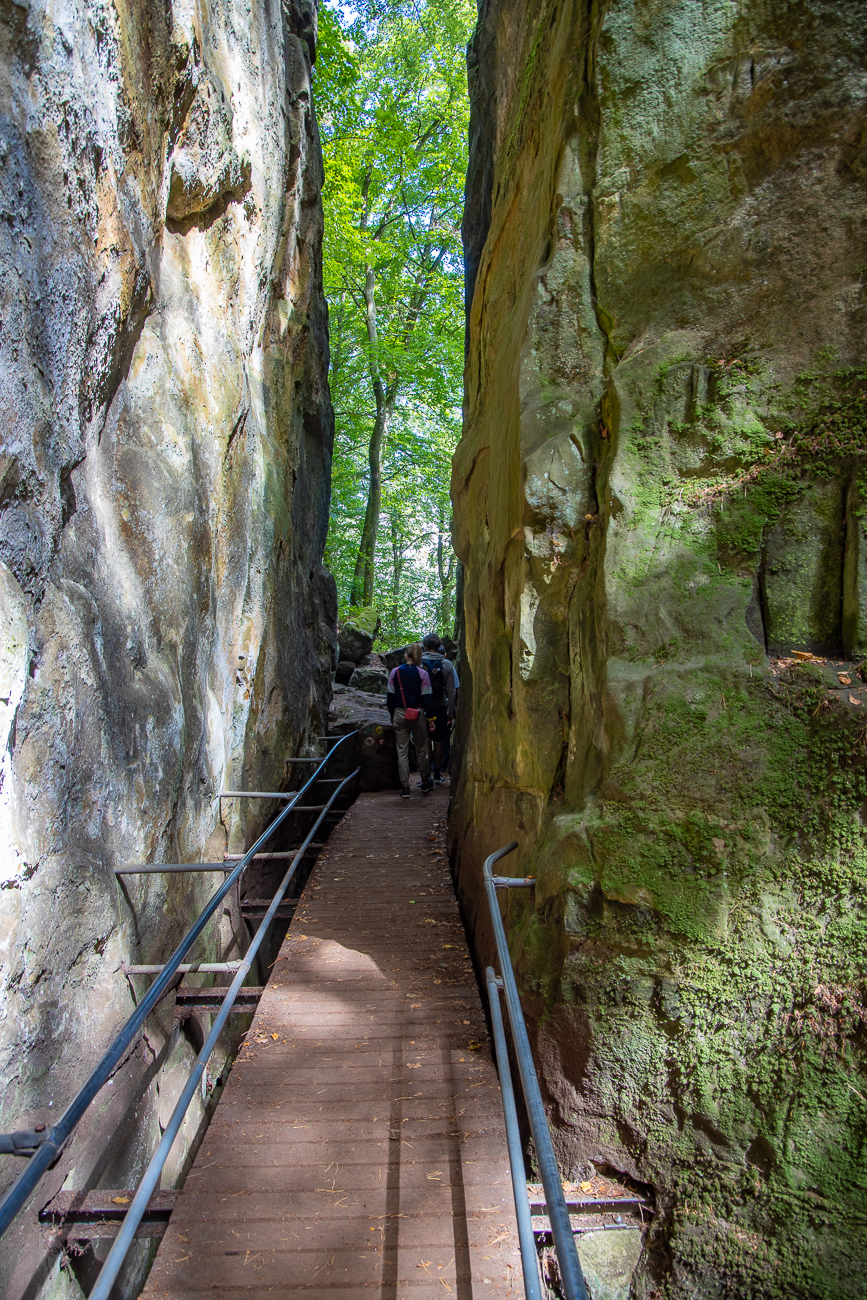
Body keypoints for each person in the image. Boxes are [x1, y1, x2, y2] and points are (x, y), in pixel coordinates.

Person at [387, 644, 433, 798]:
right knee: (421, 750)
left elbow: (391, 697)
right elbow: (427, 699)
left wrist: (392, 714)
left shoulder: (395, 672)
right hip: (417, 714)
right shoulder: (423, 674)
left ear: (407, 655)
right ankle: (425, 782)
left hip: (400, 713)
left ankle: (405, 786)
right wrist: (431, 719)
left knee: (402, 751)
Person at [421, 634, 458, 784]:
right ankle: (437, 774)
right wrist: (450, 712)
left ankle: (426, 775)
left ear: (425, 646)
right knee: (438, 741)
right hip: (440, 706)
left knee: (425, 741)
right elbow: (451, 691)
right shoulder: (447, 664)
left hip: (423, 707)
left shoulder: (418, 662)